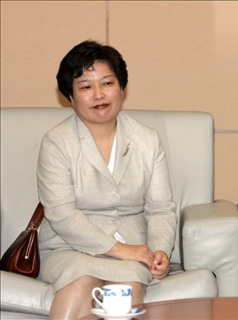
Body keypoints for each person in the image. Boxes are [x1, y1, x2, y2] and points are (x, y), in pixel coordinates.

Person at [37, 40, 176, 319]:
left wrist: (159, 250)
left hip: (132, 249)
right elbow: (61, 214)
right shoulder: (57, 142)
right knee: (81, 281)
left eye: (107, 83)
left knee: (124, 287)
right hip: (69, 247)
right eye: (86, 87)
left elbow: (161, 209)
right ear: (70, 96)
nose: (99, 95)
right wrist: (121, 250)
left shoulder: (147, 140)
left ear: (121, 87)